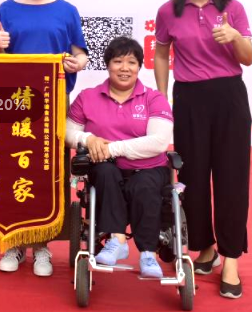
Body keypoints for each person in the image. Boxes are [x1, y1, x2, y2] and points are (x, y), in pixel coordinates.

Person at [154, 0, 252, 299]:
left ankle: (231, 258)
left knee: (231, 177)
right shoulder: (169, 11)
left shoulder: (232, 8)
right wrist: (161, 99)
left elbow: (248, 58)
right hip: (189, 99)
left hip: (229, 97)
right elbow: (161, 54)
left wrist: (235, 37)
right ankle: (205, 248)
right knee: (192, 178)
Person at [0, 0, 88, 276]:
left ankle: (42, 246)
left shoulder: (67, 10)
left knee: (48, 172)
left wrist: (78, 63)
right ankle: (14, 243)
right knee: (13, 169)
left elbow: (80, 54)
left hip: (53, 102)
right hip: (13, 103)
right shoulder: (7, 8)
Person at [65, 37, 173, 278]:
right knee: (104, 172)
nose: (125, 68)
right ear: (107, 65)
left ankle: (148, 254)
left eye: (132, 62)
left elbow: (159, 142)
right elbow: (68, 133)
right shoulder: (88, 97)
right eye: (118, 61)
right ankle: (117, 241)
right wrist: (88, 139)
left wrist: (112, 148)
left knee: (144, 185)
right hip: (105, 167)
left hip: (148, 168)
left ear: (139, 66)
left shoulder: (154, 99)